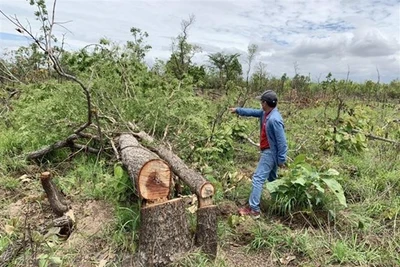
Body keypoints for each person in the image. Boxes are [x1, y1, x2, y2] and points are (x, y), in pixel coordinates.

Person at [228, 89, 288, 219]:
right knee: (272, 179)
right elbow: (253, 112)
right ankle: (278, 204)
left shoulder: (274, 120)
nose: (260, 104)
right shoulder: (266, 113)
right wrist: (238, 110)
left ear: (265, 103)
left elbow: (282, 142)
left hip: (270, 153)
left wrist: (281, 159)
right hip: (268, 151)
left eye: (261, 101)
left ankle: (254, 210)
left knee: (257, 179)